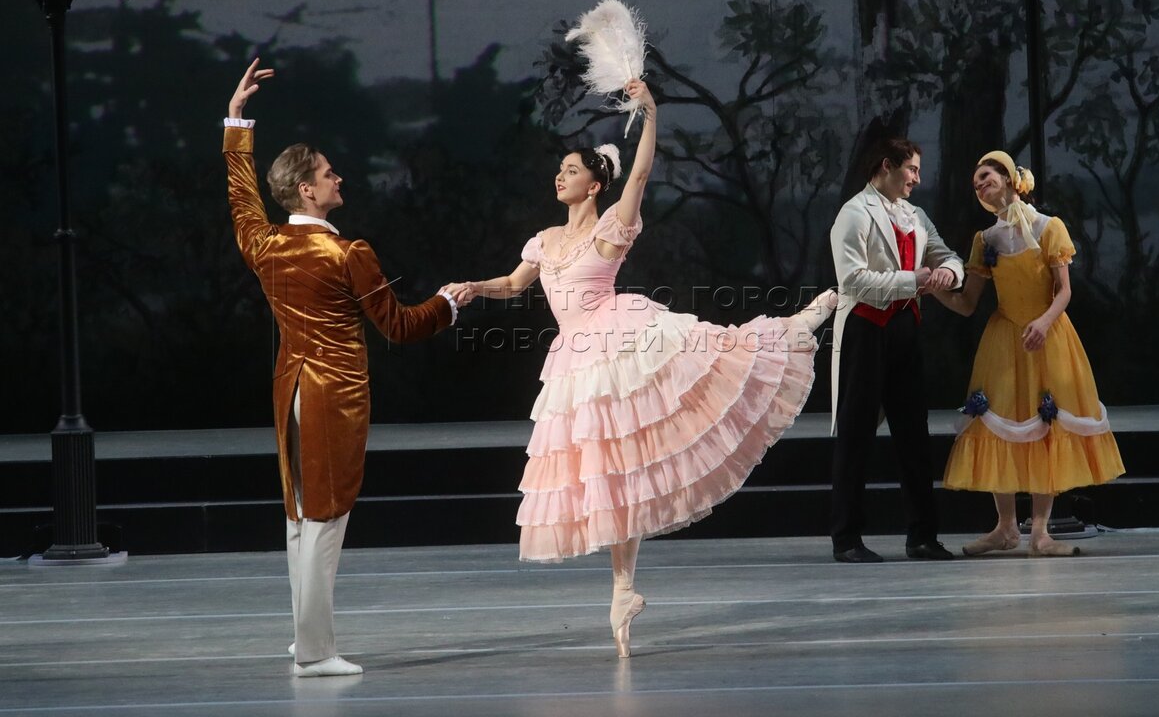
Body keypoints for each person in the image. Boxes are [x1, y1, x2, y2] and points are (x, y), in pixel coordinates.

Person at [445, 80, 836, 658]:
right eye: (559, 169)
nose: (559, 176)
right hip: (577, 359)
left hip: (620, 338)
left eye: (571, 170)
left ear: (594, 184)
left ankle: (793, 328)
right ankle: (623, 591)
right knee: (612, 472)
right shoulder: (544, 241)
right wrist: (476, 287)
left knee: (718, 356)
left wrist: (649, 113)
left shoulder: (610, 227)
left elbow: (641, 175)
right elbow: (512, 283)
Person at [224, 59, 465, 676]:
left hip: (290, 389)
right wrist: (447, 303)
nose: (339, 179)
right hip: (332, 395)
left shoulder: (265, 244)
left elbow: (241, 197)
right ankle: (314, 651)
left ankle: (304, 638)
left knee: (301, 519)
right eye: (329, 173)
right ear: (307, 190)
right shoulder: (347, 252)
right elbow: (400, 326)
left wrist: (236, 120)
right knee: (326, 519)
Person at [931, 150, 1124, 557]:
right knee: (998, 423)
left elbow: (1064, 290)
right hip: (1004, 339)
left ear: (1007, 177)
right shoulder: (986, 240)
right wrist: (934, 290)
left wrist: (1044, 321)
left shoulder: (1048, 227)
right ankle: (1005, 528)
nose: (980, 185)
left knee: (1044, 422)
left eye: (986, 176)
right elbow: (967, 304)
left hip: (1047, 335)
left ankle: (1039, 532)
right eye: (976, 183)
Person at [828, 137, 963, 563]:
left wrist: (948, 273)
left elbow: (948, 256)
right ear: (887, 165)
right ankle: (846, 539)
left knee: (914, 434)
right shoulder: (854, 213)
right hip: (866, 328)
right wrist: (914, 280)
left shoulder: (915, 215)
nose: (917, 179)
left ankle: (922, 536)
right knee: (856, 434)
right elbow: (852, 280)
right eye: (912, 169)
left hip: (904, 327)